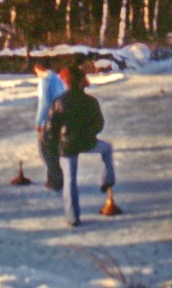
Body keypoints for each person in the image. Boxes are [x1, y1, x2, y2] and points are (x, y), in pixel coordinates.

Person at [48, 66, 116, 227]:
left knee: (70, 181)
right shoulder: (91, 101)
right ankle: (107, 179)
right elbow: (99, 125)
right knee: (106, 148)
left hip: (66, 146)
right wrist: (88, 134)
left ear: (67, 83)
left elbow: (51, 129)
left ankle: (73, 217)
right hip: (88, 142)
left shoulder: (58, 102)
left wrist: (55, 147)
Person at [33, 62, 66, 190]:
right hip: (60, 119)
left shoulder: (45, 81)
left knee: (46, 151)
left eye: (36, 72)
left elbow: (44, 103)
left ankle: (55, 180)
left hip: (49, 121)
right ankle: (55, 179)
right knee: (53, 150)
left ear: (39, 69)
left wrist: (39, 122)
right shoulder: (57, 79)